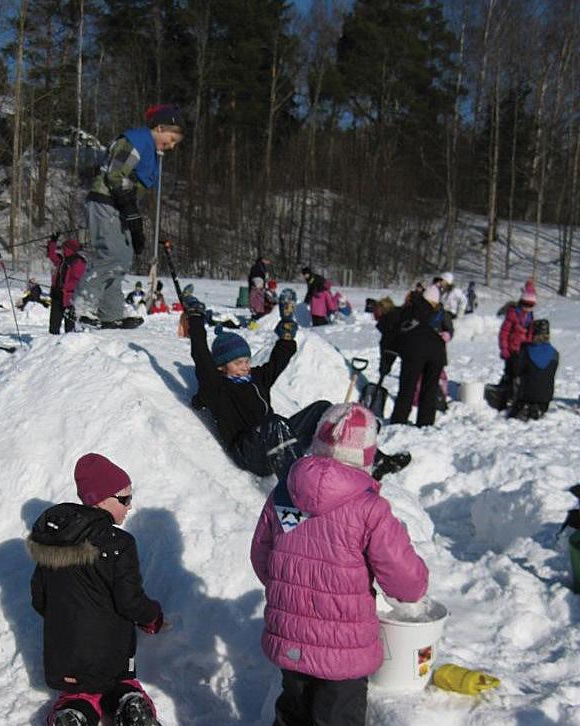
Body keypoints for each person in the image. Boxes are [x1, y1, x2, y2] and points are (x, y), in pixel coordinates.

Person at [248, 402, 428, 726]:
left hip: (291, 641)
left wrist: (290, 595)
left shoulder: (284, 491)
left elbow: (262, 557)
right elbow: (407, 584)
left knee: (292, 712)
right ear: (366, 454)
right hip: (344, 652)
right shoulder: (369, 508)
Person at [27, 453, 167, 726]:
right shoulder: (119, 543)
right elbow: (130, 601)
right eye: (125, 498)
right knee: (122, 685)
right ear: (102, 500)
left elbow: (39, 598)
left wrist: (64, 621)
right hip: (112, 649)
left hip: (65, 654)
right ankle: (135, 711)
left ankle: (72, 721)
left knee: (79, 696)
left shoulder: (52, 542)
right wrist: (153, 618)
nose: (130, 506)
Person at [186, 290, 410, 482]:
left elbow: (278, 361)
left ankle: (376, 462)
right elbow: (200, 353)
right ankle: (298, 487)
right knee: (274, 423)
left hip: (276, 438)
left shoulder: (256, 378)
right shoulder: (216, 388)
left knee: (323, 407)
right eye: (238, 363)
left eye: (246, 360)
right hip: (249, 452)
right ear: (220, 367)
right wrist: (195, 318)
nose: (245, 367)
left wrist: (286, 337)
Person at [73, 104, 184, 329]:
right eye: (171, 139)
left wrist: (134, 221)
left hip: (119, 207)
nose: (171, 146)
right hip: (106, 202)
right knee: (111, 255)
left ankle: (110, 311)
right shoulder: (136, 141)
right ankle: (83, 303)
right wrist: (130, 209)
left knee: (122, 258)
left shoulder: (149, 151)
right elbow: (115, 175)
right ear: (160, 128)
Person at [390, 285, 447, 427]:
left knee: (407, 387)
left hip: (415, 350)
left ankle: (399, 421)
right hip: (437, 349)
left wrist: (389, 358)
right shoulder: (435, 312)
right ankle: (426, 423)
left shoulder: (409, 308)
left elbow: (395, 333)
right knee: (430, 388)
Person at [508, 319, 558, 421]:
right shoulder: (555, 354)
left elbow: (517, 371)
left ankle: (524, 406)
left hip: (525, 395)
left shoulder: (525, 351)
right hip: (546, 397)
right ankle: (538, 408)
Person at [498, 281, 536, 397]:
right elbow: (504, 333)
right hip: (512, 350)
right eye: (525, 305)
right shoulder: (513, 315)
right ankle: (505, 394)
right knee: (510, 372)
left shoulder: (530, 316)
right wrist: (504, 349)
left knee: (521, 374)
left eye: (531, 306)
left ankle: (518, 394)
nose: (527, 308)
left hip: (524, 350)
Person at [47, 235, 86, 333]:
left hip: (70, 298)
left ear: (69, 249)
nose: (62, 251)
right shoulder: (61, 260)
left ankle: (68, 346)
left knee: (70, 326)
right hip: (57, 296)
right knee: (54, 325)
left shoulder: (78, 262)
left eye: (64, 248)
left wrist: (66, 287)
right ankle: (50, 345)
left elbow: (79, 280)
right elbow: (51, 254)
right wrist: (53, 242)